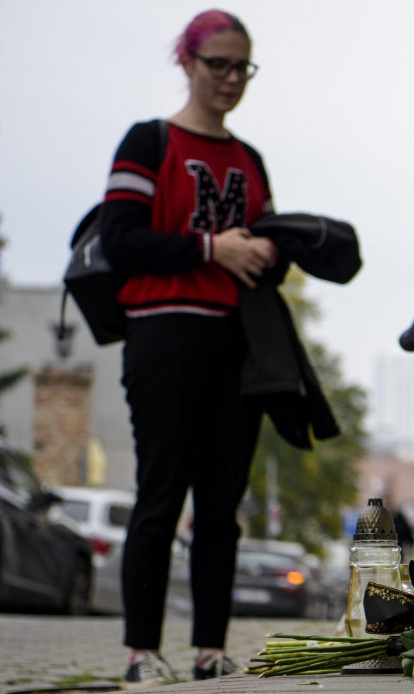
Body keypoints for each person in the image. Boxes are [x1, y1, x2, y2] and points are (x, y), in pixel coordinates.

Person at [99, 10, 276, 688]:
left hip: (238, 343)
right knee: (160, 494)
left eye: (242, 68)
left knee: (222, 506)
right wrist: (213, 247)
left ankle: (210, 649)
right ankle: (141, 650)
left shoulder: (250, 159)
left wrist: (268, 248)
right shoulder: (149, 142)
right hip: (164, 334)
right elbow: (120, 237)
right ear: (188, 63)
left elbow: (267, 247)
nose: (231, 80)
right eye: (219, 66)